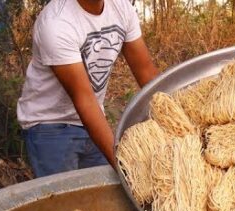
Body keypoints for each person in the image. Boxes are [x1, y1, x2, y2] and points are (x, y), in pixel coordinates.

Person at [17, 0, 159, 177]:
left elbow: (146, 73)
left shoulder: (121, 8)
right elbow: (84, 99)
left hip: (93, 119)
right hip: (50, 125)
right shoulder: (56, 23)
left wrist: (176, 121)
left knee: (103, 195)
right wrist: (123, 167)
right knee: (64, 200)